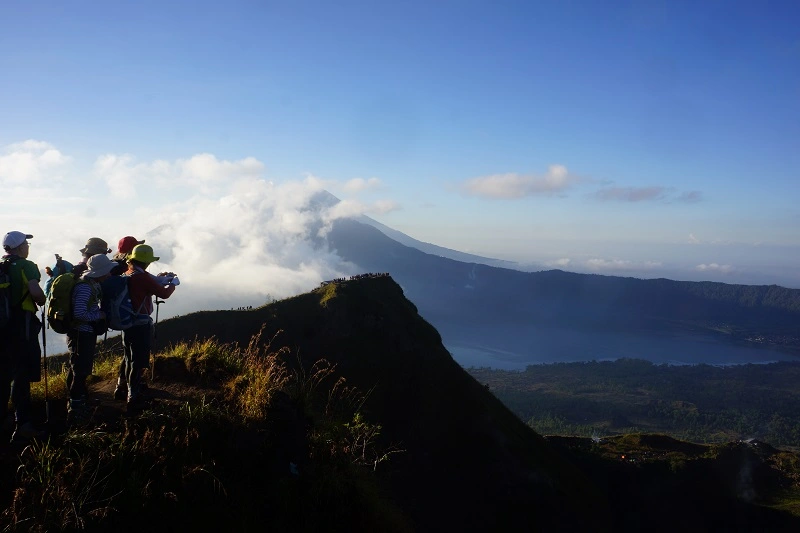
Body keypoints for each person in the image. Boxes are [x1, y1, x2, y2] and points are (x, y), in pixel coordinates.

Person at [0, 231, 46, 443]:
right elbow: (36, 292)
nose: (28, 246)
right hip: (22, 325)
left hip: (3, 327)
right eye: (26, 243)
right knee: (21, 374)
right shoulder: (27, 266)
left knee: (3, 373)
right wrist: (42, 299)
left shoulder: (2, 267)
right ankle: (23, 424)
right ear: (19, 247)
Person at [121, 244, 177, 412]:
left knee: (129, 357)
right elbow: (164, 294)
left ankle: (126, 389)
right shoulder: (142, 277)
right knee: (138, 361)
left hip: (127, 321)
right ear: (145, 262)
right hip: (141, 322)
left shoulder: (128, 273)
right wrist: (173, 283)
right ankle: (134, 395)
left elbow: (146, 285)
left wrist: (158, 278)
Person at [66, 254, 116, 418]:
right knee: (80, 372)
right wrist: (99, 316)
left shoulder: (90, 284)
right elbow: (79, 313)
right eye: (107, 271)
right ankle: (75, 409)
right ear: (99, 272)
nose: (109, 274)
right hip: (82, 334)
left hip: (84, 333)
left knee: (79, 370)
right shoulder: (85, 287)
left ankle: (79, 403)